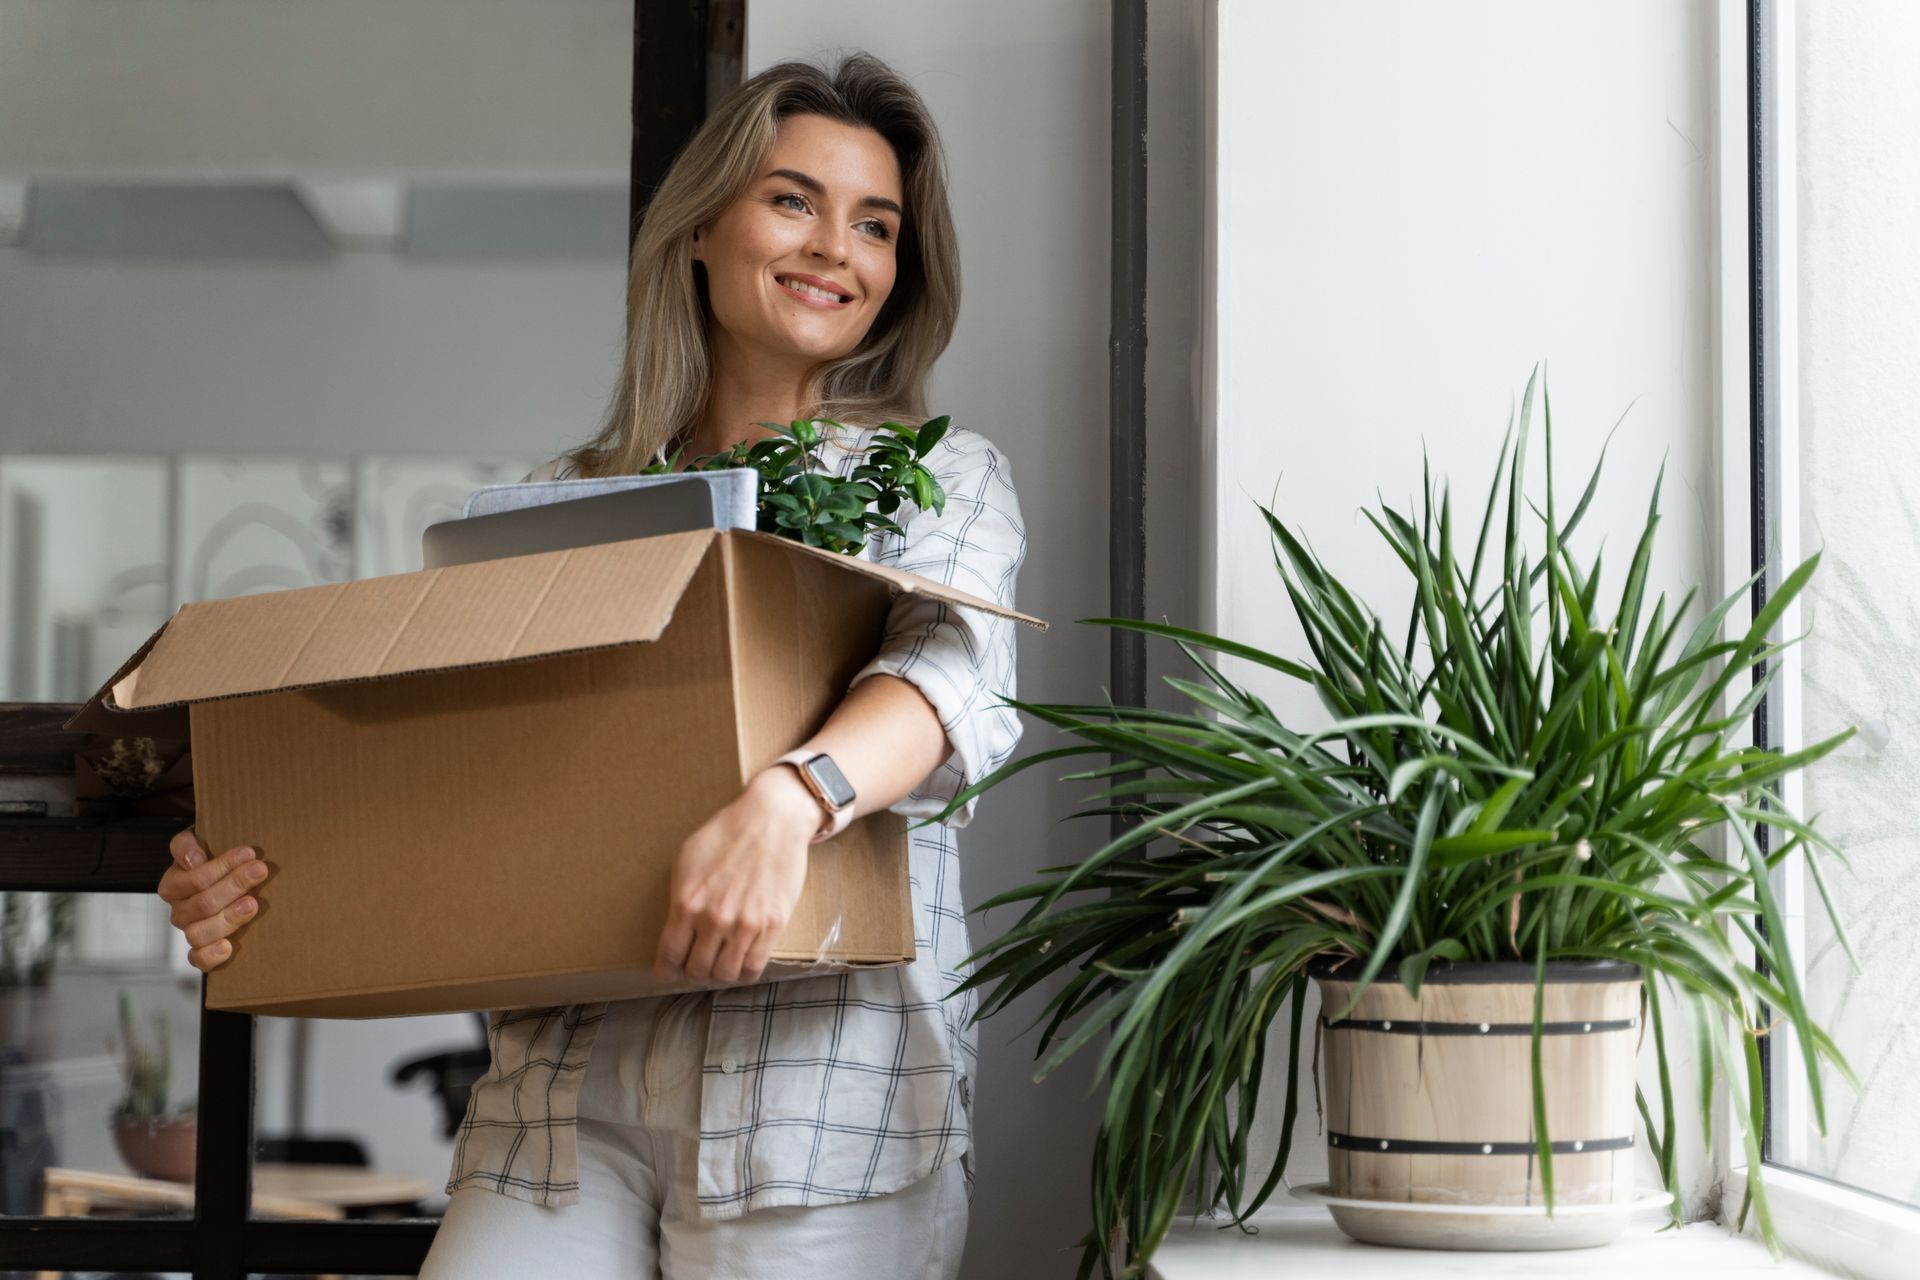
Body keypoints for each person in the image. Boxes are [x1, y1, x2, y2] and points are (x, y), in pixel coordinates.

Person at [153, 52, 1030, 1279]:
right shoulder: (573, 500)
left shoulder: (945, 478)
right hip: (560, 1100)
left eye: (875, 223)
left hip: (816, 1094)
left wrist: (791, 800)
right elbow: (470, 779)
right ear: (702, 229)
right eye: (793, 200)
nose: (838, 245)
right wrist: (266, 886)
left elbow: (949, 678)